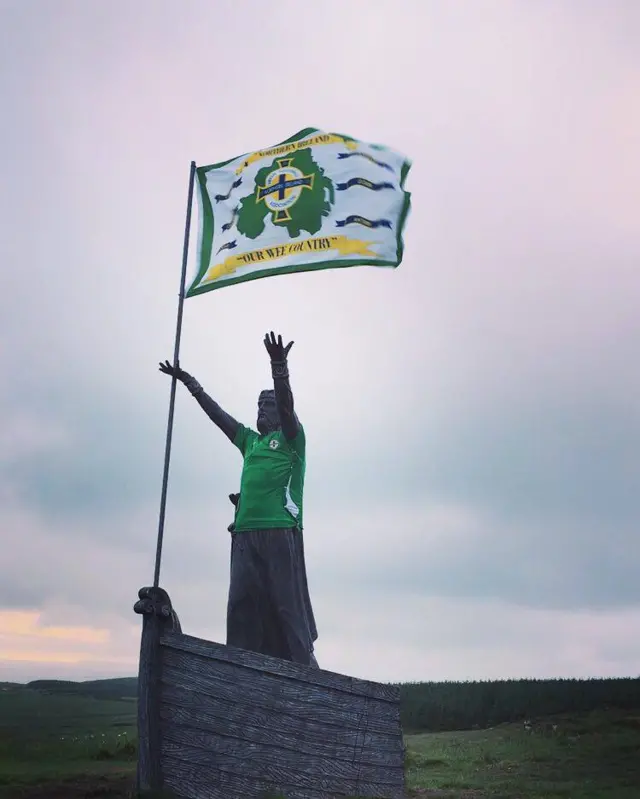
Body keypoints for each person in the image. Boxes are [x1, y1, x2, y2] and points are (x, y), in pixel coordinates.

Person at [159, 332, 318, 667]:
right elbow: (219, 417)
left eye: (268, 404)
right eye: (259, 405)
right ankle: (239, 669)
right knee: (241, 606)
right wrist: (192, 384)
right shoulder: (250, 442)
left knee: (287, 607)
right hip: (244, 535)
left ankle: (307, 673)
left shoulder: (291, 440)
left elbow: (289, 407)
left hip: (279, 533)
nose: (261, 410)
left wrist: (279, 368)